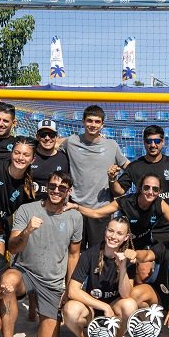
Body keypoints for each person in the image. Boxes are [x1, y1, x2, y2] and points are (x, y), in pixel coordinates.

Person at [2, 171, 83, 337]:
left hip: (51, 281)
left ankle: (38, 307)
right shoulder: (27, 209)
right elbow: (12, 247)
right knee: (8, 281)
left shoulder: (75, 217)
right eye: (52, 186)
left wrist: (69, 290)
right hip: (25, 272)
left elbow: (74, 255)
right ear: (47, 187)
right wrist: (27, 231)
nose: (56, 191)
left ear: (68, 191)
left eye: (62, 188)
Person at [68, 173, 169, 281]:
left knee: (143, 274)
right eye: (146, 187)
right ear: (140, 188)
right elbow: (97, 213)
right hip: (122, 243)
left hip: (142, 243)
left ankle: (135, 296)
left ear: (159, 192)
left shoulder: (160, 204)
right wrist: (76, 207)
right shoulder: (126, 201)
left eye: (155, 189)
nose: (150, 192)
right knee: (116, 272)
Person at [58, 105, 129, 248]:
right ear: (83, 122)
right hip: (75, 207)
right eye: (89, 121)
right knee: (73, 251)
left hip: (100, 210)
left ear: (102, 125)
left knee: (99, 252)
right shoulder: (71, 141)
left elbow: (128, 166)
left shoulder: (111, 145)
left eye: (97, 122)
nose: (93, 125)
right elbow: (51, 144)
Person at [62, 217, 136, 337]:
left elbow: (126, 295)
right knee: (70, 309)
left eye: (119, 233)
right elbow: (73, 290)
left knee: (130, 305)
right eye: (111, 231)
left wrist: (123, 267)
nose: (113, 236)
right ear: (105, 231)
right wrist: (104, 306)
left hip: (115, 308)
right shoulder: (89, 254)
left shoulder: (128, 257)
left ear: (126, 237)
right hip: (92, 308)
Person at [110, 124, 169, 237]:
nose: (153, 145)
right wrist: (112, 179)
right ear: (144, 142)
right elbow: (119, 191)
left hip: (167, 227)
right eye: (149, 141)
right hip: (142, 228)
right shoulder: (135, 166)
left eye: (157, 141)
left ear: (163, 142)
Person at [28, 119, 69, 201]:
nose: (47, 138)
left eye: (51, 135)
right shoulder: (29, 156)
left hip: (54, 207)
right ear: (37, 137)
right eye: (43, 135)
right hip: (30, 206)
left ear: (56, 137)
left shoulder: (65, 159)